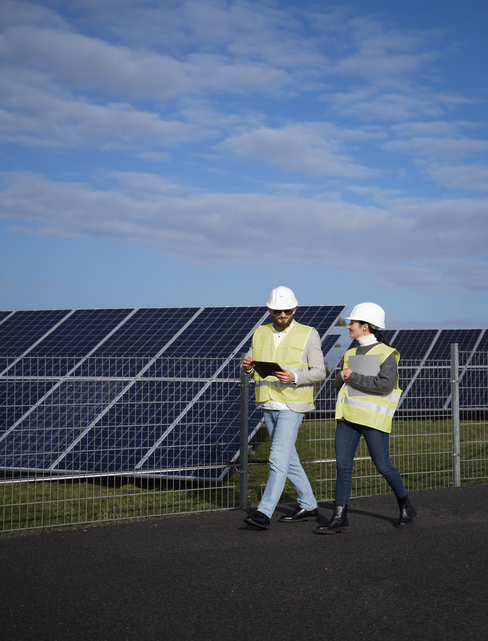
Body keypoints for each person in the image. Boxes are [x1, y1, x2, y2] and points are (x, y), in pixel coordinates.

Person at [314, 302, 416, 534]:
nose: (349, 326)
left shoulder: (386, 353)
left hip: (372, 419)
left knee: (383, 466)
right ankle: (340, 517)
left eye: (353, 323)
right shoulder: (349, 353)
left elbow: (385, 384)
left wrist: (353, 376)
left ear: (365, 327)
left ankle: (406, 506)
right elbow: (341, 385)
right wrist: (341, 378)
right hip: (347, 417)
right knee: (342, 467)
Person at [242, 286, 326, 529]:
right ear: (270, 309)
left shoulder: (309, 333)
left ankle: (263, 512)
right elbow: (249, 363)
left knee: (277, 458)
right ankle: (309, 504)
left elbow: (319, 372)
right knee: (288, 459)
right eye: (278, 310)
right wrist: (247, 366)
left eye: (287, 310)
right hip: (268, 402)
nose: (283, 314)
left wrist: (295, 377)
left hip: (293, 405)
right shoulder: (260, 332)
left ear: (295, 309)